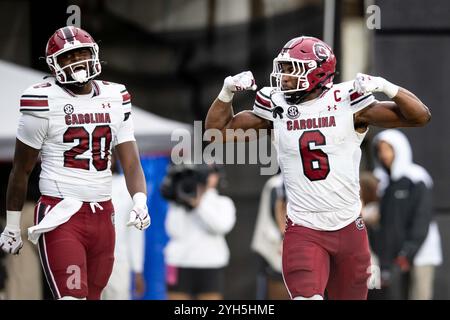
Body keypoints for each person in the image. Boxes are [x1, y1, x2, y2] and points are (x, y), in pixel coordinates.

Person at [205, 36, 431, 300]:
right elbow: (216, 132)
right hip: (304, 226)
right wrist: (226, 92)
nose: (284, 76)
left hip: (348, 227)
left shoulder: (347, 102)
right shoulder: (276, 105)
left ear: (318, 71)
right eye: (284, 68)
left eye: (293, 69)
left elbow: (420, 116)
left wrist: (385, 86)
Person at [0, 26, 150, 300]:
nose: (77, 62)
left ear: (94, 54)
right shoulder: (42, 99)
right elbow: (21, 169)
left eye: (81, 53)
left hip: (104, 213)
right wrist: (11, 225)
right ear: (54, 64)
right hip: (61, 211)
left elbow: (130, 162)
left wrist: (139, 200)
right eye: (68, 57)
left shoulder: (116, 96)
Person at [371, 129, 442, 300]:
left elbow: (421, 218)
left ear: (399, 149)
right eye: (380, 150)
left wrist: (407, 251)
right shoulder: (383, 182)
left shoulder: (417, 177)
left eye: (388, 149)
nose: (384, 155)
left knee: (420, 295)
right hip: (395, 255)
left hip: (421, 252)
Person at [163, 165, 236, 300]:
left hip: (210, 264)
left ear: (217, 176)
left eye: (210, 172)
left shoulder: (223, 203)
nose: (205, 176)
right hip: (178, 263)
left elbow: (220, 226)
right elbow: (173, 230)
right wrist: (182, 199)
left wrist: (198, 204)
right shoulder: (179, 199)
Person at [102, 156, 146, 300]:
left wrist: (137, 269)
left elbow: (135, 231)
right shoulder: (82, 185)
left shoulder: (125, 185)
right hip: (89, 261)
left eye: (107, 154)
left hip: (118, 261)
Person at [251, 173, 289, 300]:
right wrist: (285, 238)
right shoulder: (277, 184)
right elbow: (278, 214)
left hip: (280, 247)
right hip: (272, 249)